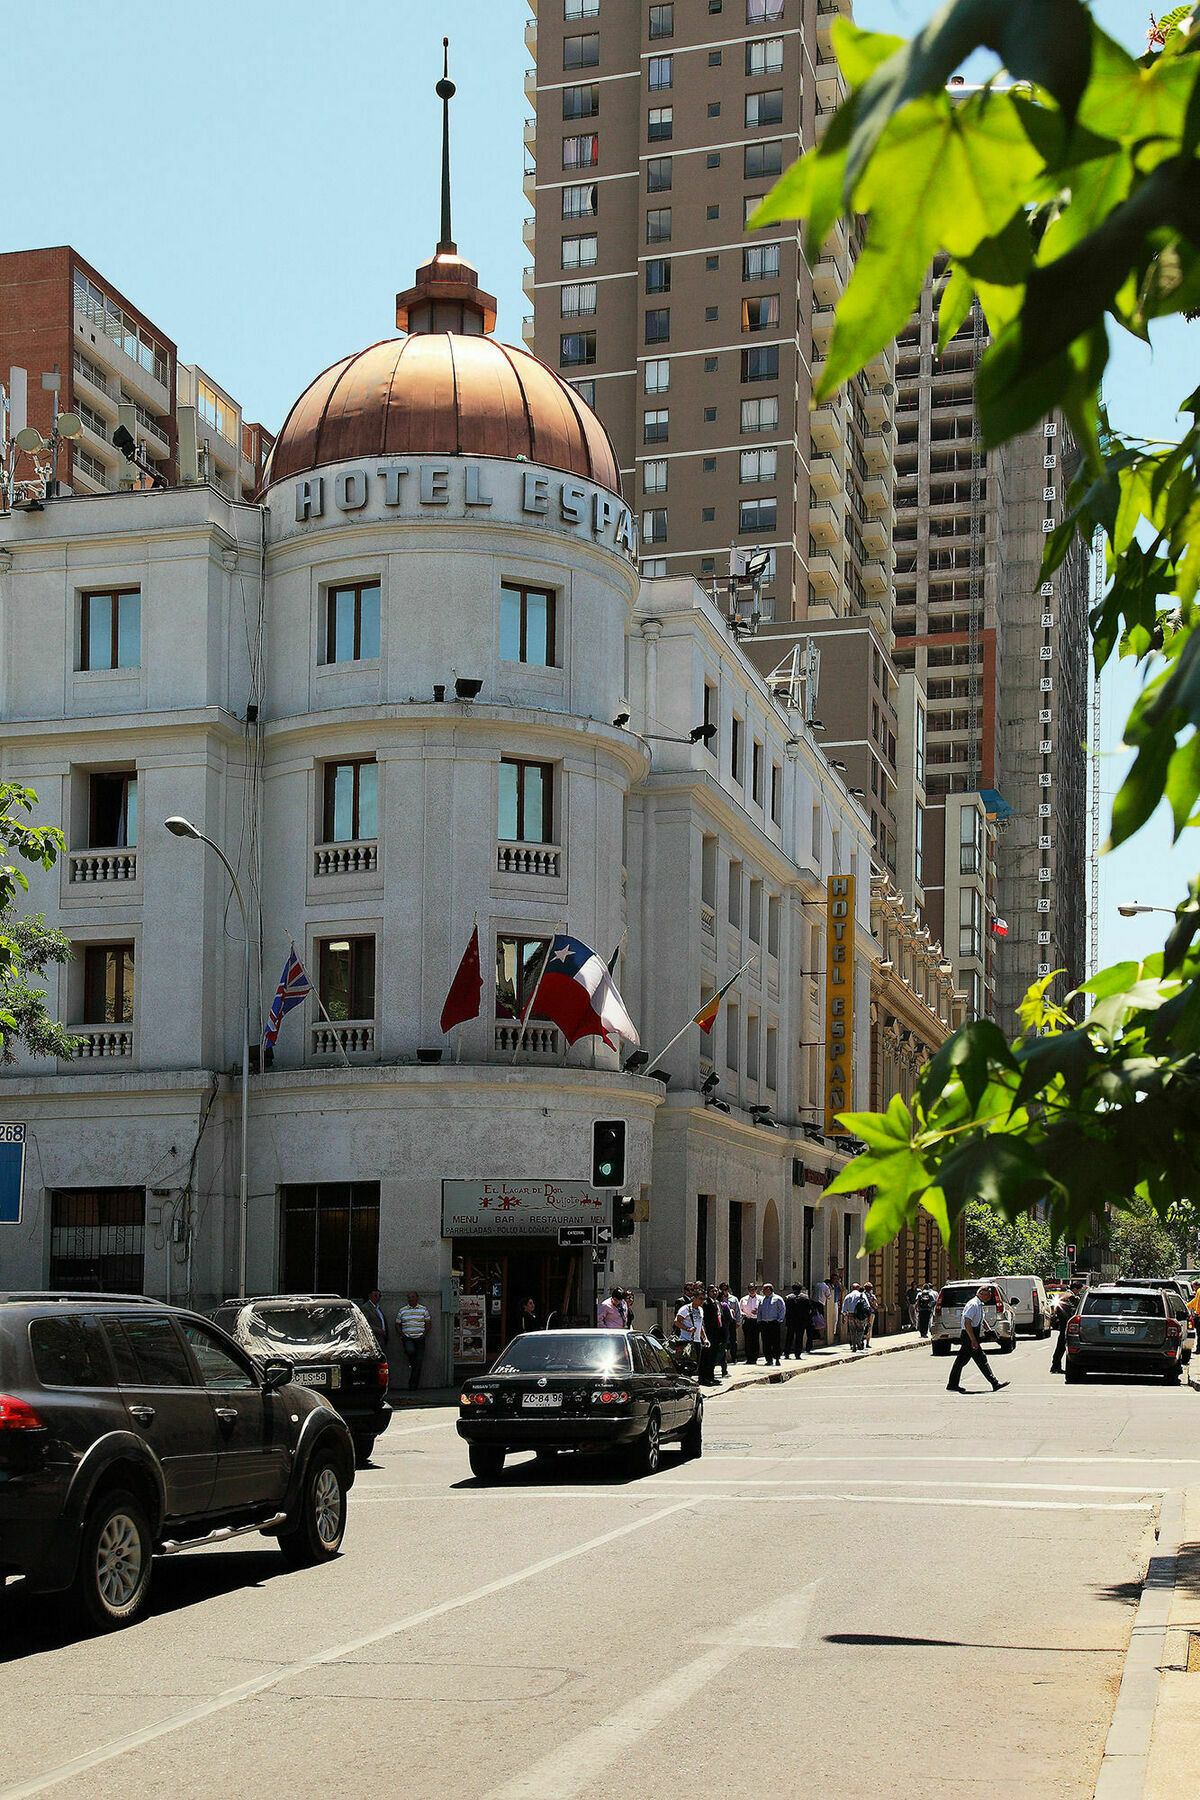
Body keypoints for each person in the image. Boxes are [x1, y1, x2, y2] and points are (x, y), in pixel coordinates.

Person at [948, 1284, 1009, 1393]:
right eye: (988, 1294)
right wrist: (973, 1340)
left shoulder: (979, 1305)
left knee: (961, 1361)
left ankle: (952, 1384)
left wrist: (989, 1330)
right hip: (968, 1334)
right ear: (981, 1294)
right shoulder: (973, 1304)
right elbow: (967, 1322)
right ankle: (995, 1383)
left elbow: (982, 1320)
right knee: (981, 1359)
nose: (990, 1297)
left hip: (972, 1334)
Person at [396, 1290, 432, 1392]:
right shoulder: (402, 1310)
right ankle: (412, 1363)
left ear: (417, 1298)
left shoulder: (423, 1309)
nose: (411, 1299)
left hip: (419, 1338)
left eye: (412, 1297)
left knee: (418, 1363)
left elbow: (428, 1323)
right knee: (411, 1352)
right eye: (409, 1297)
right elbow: (397, 1324)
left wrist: (423, 1335)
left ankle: (413, 1384)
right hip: (408, 1338)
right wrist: (402, 1335)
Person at [674, 1285, 708, 1377]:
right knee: (687, 1366)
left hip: (697, 1341)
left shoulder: (700, 1310)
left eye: (704, 1299)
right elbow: (677, 1322)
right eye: (700, 1298)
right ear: (694, 1298)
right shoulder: (685, 1309)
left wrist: (704, 1338)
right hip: (687, 1341)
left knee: (696, 1365)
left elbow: (700, 1326)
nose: (702, 1301)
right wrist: (687, 1329)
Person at [1050, 1283, 1082, 1374]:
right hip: (1066, 1324)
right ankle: (1055, 1366)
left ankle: (1055, 1365)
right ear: (1075, 1289)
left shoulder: (1063, 1294)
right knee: (1061, 1346)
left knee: (1060, 1346)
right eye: (1079, 1290)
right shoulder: (1071, 1296)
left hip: (1062, 1323)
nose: (1079, 1292)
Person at [758, 1282, 786, 1365]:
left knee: (775, 1342)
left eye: (764, 1289)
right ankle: (768, 1359)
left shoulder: (777, 1299)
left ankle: (777, 1358)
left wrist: (779, 1320)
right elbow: (759, 1311)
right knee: (766, 1342)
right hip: (764, 1323)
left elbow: (782, 1310)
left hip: (774, 1323)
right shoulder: (762, 1299)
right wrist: (759, 1320)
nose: (763, 1291)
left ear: (769, 1290)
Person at [703, 1285, 725, 1382]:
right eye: (712, 1291)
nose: (715, 1293)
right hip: (709, 1333)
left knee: (714, 1356)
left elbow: (721, 1318)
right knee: (708, 1356)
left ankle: (711, 1376)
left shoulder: (718, 1303)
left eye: (716, 1291)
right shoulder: (706, 1304)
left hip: (718, 1332)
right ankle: (706, 1377)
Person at [785, 1285, 812, 1359]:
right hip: (801, 1321)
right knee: (799, 1338)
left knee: (789, 1337)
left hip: (791, 1320)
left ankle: (787, 1353)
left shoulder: (788, 1298)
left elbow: (785, 1310)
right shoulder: (805, 1298)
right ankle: (797, 1354)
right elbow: (809, 1310)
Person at [719, 1283, 741, 1363]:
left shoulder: (733, 1299)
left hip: (731, 1322)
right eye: (722, 1289)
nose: (724, 1291)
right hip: (722, 1322)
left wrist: (738, 1321)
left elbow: (738, 1311)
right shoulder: (719, 1299)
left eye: (726, 1289)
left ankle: (734, 1357)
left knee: (733, 1340)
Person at [740, 1283, 761, 1364]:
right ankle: (749, 1357)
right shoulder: (743, 1299)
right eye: (750, 1290)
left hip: (756, 1321)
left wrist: (758, 1312)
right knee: (748, 1339)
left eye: (753, 1289)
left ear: (756, 1290)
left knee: (755, 1339)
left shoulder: (760, 1299)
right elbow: (740, 1309)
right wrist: (742, 1314)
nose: (751, 1291)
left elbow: (763, 1310)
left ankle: (755, 1357)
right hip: (747, 1320)